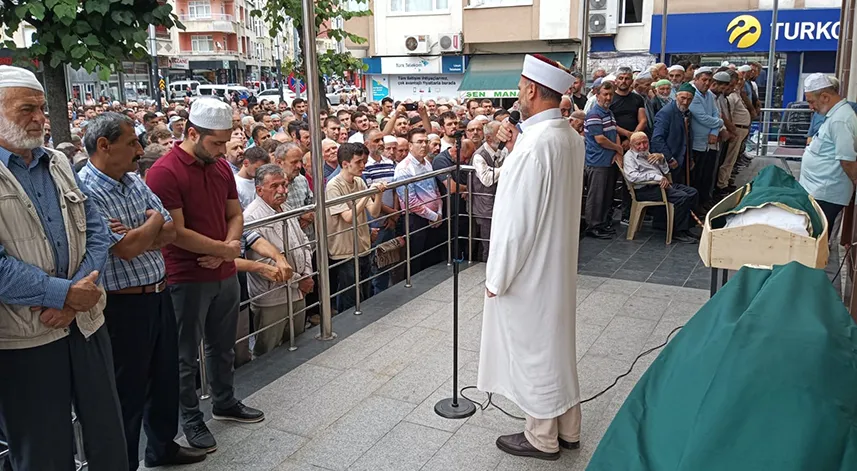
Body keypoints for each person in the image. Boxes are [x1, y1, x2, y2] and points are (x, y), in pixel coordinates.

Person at [0, 65, 128, 470]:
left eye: (41, 108)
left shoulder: (57, 161)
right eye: (26, 110)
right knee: (43, 449)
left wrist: (74, 299)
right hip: (24, 338)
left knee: (108, 433)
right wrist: (62, 294)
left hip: (84, 321)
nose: (40, 117)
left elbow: (97, 232)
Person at [78, 112, 207, 469]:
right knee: (128, 390)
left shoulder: (134, 180)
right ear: (104, 146)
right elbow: (127, 248)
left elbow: (169, 231)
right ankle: (124, 462)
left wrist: (143, 230)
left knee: (164, 378)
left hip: (158, 293)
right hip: (123, 306)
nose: (139, 149)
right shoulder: (86, 189)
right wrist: (150, 223)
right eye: (132, 142)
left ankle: (162, 447)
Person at [478, 54, 584, 461]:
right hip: (555, 262)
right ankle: (568, 428)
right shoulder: (569, 136)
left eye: (521, 86)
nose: (518, 93)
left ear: (532, 90)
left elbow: (514, 223)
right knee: (556, 347)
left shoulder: (533, 146)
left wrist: (497, 277)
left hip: (530, 271)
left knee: (535, 351)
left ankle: (542, 436)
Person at [146, 98, 264, 453]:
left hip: (223, 269)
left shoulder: (220, 166)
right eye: (215, 143)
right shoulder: (164, 171)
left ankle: (224, 401)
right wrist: (222, 249)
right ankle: (191, 418)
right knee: (184, 356)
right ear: (192, 133)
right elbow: (174, 231)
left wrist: (227, 246)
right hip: (186, 275)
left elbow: (235, 213)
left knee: (222, 345)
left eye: (225, 142)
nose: (222, 150)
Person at [243, 164, 312, 356]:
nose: (282, 190)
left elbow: (304, 241)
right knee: (268, 349)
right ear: (259, 190)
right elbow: (264, 263)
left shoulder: (286, 207)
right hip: (273, 297)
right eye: (274, 186)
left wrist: (307, 273)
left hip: (299, 290)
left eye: (284, 184)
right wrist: (300, 282)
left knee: (299, 341)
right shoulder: (251, 217)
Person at [326, 143, 386, 312]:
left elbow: (374, 212)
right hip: (344, 248)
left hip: (362, 244)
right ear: (345, 164)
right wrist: (367, 194)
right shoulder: (333, 185)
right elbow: (347, 217)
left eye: (363, 161)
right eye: (358, 162)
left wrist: (378, 194)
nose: (363, 166)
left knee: (365, 290)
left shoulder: (359, 181)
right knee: (349, 294)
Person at [799, 73, 857, 230]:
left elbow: (847, 159)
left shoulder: (840, 119)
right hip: (819, 191)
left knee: (818, 236)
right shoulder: (834, 115)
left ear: (825, 97)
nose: (811, 107)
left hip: (826, 194)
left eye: (811, 102)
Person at [622, 132, 699, 243]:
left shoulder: (647, 153)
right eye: (638, 144)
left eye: (645, 142)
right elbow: (632, 177)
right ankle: (678, 232)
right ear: (631, 145)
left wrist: (662, 159)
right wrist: (657, 177)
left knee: (692, 192)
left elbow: (666, 171)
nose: (643, 146)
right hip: (645, 189)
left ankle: (685, 228)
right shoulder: (629, 157)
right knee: (682, 197)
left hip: (660, 185)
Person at [394, 128, 443, 274]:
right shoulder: (403, 168)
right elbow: (410, 202)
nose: (423, 145)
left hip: (434, 217)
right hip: (416, 220)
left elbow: (436, 190)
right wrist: (434, 216)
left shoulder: (427, 163)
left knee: (431, 257)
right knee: (416, 259)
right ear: (410, 145)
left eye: (426, 142)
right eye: (419, 142)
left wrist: (439, 212)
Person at [584, 80, 623, 239]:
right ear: (597, 95)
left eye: (610, 94)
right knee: (596, 196)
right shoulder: (594, 114)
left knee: (606, 195)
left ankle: (602, 223)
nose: (608, 97)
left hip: (608, 161)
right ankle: (593, 226)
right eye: (605, 94)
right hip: (597, 162)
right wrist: (618, 148)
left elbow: (614, 133)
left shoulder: (609, 113)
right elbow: (600, 139)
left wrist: (617, 151)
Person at [471, 121, 506, 261]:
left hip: (500, 203)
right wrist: (506, 168)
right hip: (485, 207)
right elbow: (486, 179)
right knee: (489, 243)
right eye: (499, 132)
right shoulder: (479, 155)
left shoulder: (502, 151)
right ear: (490, 137)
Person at [651, 82, 694, 184]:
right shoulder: (666, 113)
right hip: (670, 160)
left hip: (682, 158)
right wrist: (669, 158)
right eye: (682, 98)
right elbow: (657, 139)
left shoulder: (687, 112)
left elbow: (688, 137)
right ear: (676, 96)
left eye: (689, 99)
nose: (685, 102)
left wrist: (690, 157)